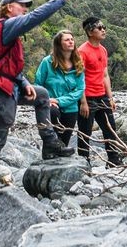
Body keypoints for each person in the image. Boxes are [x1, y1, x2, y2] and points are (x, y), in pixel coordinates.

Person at [0, 0, 72, 207]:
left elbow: (8, 65)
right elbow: (35, 17)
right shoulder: (7, 25)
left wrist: (25, 83)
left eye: (25, 6)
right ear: (9, 8)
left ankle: (51, 145)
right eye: (22, 6)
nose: (24, 9)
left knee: (41, 95)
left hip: (8, 86)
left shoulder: (4, 29)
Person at [78, 16, 127, 166]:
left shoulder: (102, 50)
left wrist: (111, 97)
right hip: (87, 98)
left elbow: (105, 75)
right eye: (100, 28)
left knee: (110, 129)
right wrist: (82, 101)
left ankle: (113, 160)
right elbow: (78, 77)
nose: (103, 30)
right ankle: (84, 161)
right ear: (90, 31)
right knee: (85, 131)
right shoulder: (82, 51)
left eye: (104, 27)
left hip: (102, 96)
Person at [33, 30, 87, 158]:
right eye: (67, 40)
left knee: (64, 143)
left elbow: (79, 90)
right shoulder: (47, 62)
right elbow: (38, 84)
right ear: (59, 44)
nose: (71, 42)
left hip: (70, 108)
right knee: (52, 141)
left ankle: (60, 169)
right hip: (51, 106)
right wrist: (48, 100)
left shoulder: (77, 63)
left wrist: (59, 100)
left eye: (72, 39)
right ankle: (47, 162)